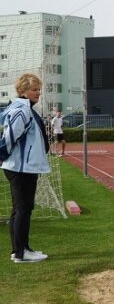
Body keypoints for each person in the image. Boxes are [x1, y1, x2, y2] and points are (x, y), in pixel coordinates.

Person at [2, 73, 51, 263]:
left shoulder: (26, 109)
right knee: (23, 209)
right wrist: (1, 155)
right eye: (34, 89)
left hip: (24, 167)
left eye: (39, 89)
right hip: (21, 168)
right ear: (23, 91)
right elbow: (9, 138)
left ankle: (20, 250)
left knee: (20, 209)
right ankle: (21, 252)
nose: (38, 93)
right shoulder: (21, 110)